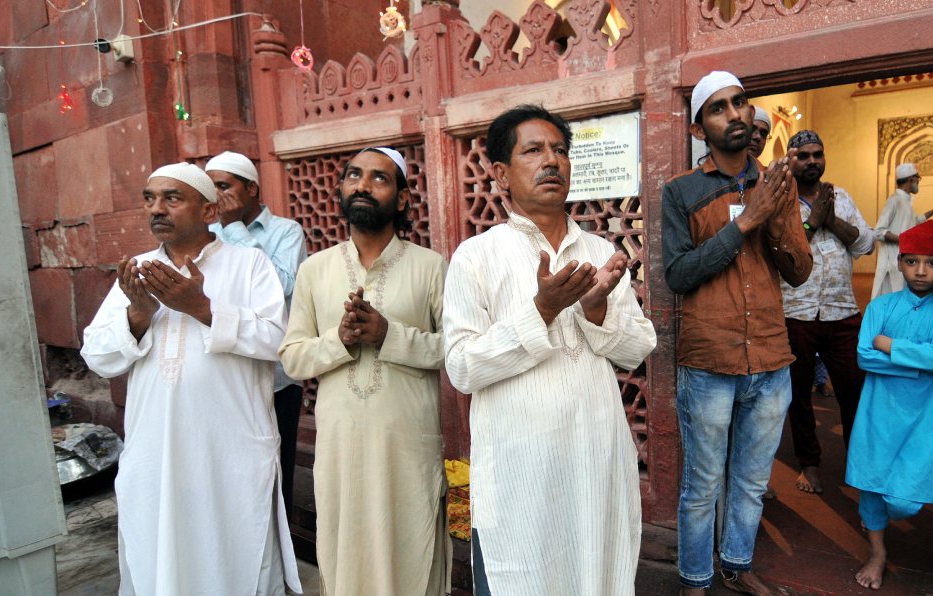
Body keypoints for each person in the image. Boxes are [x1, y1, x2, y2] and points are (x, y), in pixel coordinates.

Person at [443, 105, 656, 596]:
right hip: (520, 473)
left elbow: (638, 347)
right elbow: (462, 366)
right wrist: (541, 310)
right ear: (500, 173)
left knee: (596, 573)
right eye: (534, 150)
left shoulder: (601, 253)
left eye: (560, 150)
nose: (552, 161)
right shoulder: (476, 257)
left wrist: (597, 311)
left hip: (594, 460)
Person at [81, 163, 301, 595]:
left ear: (208, 210)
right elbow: (97, 355)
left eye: (172, 198)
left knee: (234, 555)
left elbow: (279, 342)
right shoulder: (137, 272)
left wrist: (202, 308)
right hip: (155, 452)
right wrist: (138, 315)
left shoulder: (248, 265)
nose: (157, 209)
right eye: (149, 198)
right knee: (159, 559)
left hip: (229, 451)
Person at [662, 71, 813, 596]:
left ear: (751, 114)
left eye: (739, 103)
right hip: (708, 363)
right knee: (702, 485)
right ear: (700, 127)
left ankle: (736, 565)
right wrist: (744, 223)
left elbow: (799, 271)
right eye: (718, 108)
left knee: (751, 481)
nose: (733, 114)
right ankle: (695, 579)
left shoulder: (778, 183)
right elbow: (677, 275)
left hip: (771, 360)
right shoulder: (681, 191)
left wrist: (771, 215)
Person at [278, 147, 450, 595]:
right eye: (354, 175)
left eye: (379, 178)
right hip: (341, 452)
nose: (363, 185)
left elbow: (456, 350)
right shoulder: (315, 270)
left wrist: (389, 335)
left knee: (412, 552)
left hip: (407, 448)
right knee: (346, 558)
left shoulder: (431, 267)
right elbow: (293, 357)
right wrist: (342, 340)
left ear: (403, 198)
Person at [845, 219, 933, 590]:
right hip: (878, 413)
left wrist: (890, 346)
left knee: (905, 500)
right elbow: (863, 357)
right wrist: (920, 365)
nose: (921, 271)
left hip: (925, 419)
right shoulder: (880, 307)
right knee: (872, 486)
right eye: (913, 261)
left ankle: (877, 519)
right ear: (900, 262)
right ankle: (877, 553)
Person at [205, 151, 308, 513]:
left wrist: (234, 228)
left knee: (275, 469)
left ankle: (279, 561)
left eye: (223, 186)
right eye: (211, 187)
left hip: (276, 376)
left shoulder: (286, 232)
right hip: (224, 371)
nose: (216, 195)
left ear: (251, 189)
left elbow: (279, 286)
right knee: (231, 471)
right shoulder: (208, 236)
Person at [780, 129, 877, 495]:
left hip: (842, 310)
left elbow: (866, 244)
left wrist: (831, 217)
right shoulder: (779, 201)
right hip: (797, 312)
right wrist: (813, 222)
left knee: (854, 390)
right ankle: (810, 464)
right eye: (803, 156)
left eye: (817, 155)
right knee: (799, 393)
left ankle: (859, 464)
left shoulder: (841, 196)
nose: (811, 162)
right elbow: (783, 253)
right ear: (790, 160)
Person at [870, 162, 933, 300]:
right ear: (911, 180)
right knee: (889, 301)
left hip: (904, 261)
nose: (917, 183)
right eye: (917, 180)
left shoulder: (905, 202)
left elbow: (915, 221)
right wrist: (905, 241)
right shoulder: (894, 201)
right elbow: (878, 231)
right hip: (892, 263)